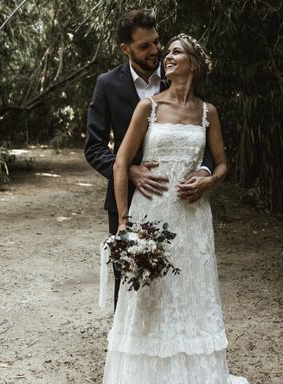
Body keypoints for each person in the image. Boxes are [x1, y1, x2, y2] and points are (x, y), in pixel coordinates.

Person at [103, 33, 248, 383]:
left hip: (192, 218)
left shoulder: (207, 112)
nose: (166, 56)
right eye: (165, 51)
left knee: (192, 294)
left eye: (175, 52)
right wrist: (123, 224)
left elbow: (222, 163)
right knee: (149, 296)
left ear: (193, 64)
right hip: (150, 213)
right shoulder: (149, 107)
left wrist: (207, 179)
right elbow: (121, 163)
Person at [84, 9, 213, 309]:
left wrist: (205, 171)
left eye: (156, 42)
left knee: (178, 277)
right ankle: (127, 349)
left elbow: (203, 131)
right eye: (144, 46)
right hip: (127, 198)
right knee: (129, 280)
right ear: (125, 49)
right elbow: (94, 147)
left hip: (179, 202)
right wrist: (129, 170)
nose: (155, 51)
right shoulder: (107, 84)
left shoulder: (177, 77)